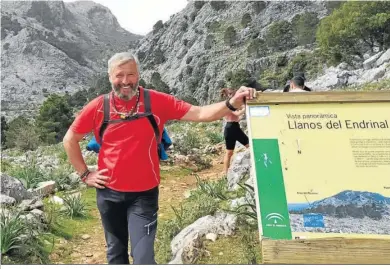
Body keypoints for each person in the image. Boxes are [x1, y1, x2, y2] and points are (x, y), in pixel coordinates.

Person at [62, 51, 256, 265]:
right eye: (119, 75)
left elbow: (200, 113)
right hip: (109, 195)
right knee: (116, 255)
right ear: (110, 77)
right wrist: (85, 174)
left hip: (143, 196)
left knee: (144, 258)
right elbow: (70, 139)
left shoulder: (155, 101)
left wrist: (231, 103)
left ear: (138, 75)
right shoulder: (100, 106)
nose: (125, 81)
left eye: (131, 75)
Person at [220, 88, 250, 176]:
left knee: (230, 152)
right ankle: (225, 172)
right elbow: (237, 114)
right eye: (231, 94)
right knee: (229, 152)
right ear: (228, 95)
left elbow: (236, 117)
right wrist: (246, 107)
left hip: (233, 127)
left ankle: (225, 172)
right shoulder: (228, 105)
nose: (233, 95)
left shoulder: (230, 105)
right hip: (231, 128)